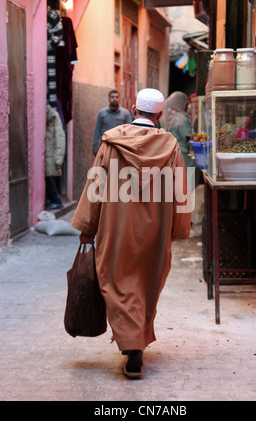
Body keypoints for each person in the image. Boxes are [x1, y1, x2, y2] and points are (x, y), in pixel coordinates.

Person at [71, 88, 192, 379]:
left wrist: (88, 228)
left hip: (117, 230)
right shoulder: (171, 146)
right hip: (155, 233)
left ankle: (131, 345)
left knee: (118, 283)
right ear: (159, 115)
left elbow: (95, 186)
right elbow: (180, 190)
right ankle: (135, 344)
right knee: (146, 284)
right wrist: (178, 228)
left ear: (133, 109)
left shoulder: (110, 144)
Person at [159, 91, 195, 169]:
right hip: (183, 156)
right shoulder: (182, 119)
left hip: (171, 153)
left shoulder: (171, 118)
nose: (187, 106)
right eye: (186, 104)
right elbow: (187, 137)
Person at [93, 89, 131, 156]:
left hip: (119, 147)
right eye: (112, 97)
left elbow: (129, 131)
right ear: (108, 98)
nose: (114, 99)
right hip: (105, 145)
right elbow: (97, 130)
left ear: (119, 98)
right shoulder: (102, 113)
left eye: (116, 97)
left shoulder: (125, 113)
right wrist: (95, 145)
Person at [45, 105, 66, 210]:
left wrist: (58, 158)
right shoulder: (48, 118)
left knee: (50, 176)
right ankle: (55, 200)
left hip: (52, 154)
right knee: (51, 176)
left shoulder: (53, 116)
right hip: (49, 154)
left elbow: (60, 138)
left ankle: (56, 200)